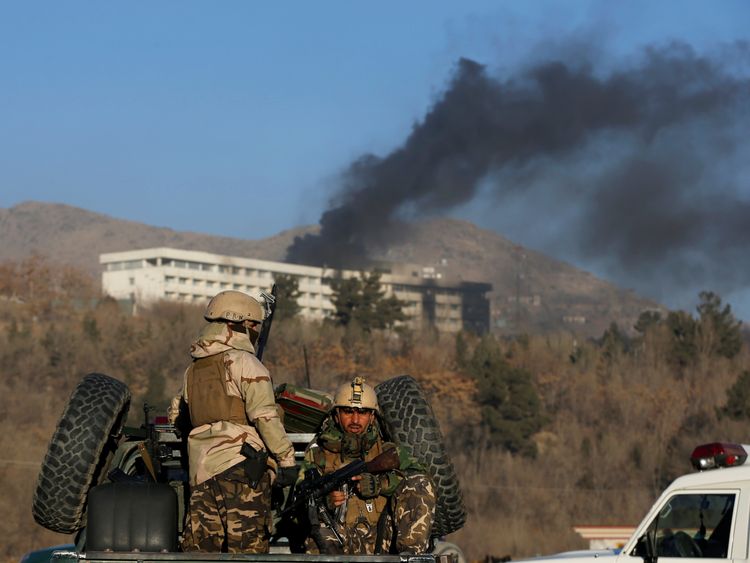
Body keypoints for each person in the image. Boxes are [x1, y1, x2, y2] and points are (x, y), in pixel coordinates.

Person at [169, 290, 297, 553]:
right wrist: (286, 461)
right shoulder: (246, 362)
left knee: (199, 554)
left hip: (200, 474)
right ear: (235, 323)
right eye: (253, 324)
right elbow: (265, 417)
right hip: (242, 470)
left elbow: (178, 418)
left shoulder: (192, 370)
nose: (255, 331)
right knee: (247, 553)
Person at [299, 376, 435, 555]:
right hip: (339, 541)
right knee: (317, 524)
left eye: (362, 413)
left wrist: (380, 484)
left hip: (382, 538)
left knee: (418, 483)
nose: (355, 420)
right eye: (348, 411)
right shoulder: (317, 452)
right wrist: (326, 502)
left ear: (372, 417)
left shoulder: (387, 450)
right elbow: (301, 496)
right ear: (336, 415)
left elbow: (420, 476)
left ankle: (410, 558)